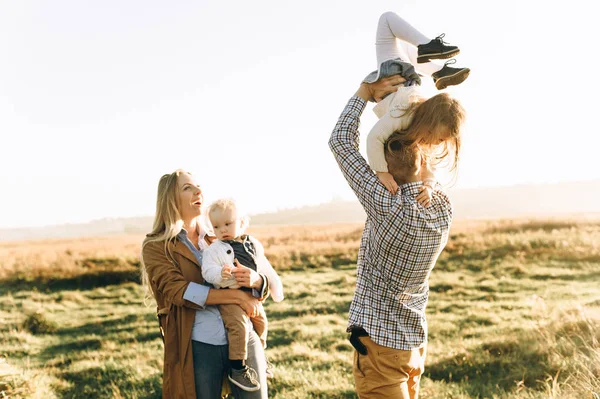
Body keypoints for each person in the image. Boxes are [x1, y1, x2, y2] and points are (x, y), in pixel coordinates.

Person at [329, 74, 464, 398]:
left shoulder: (387, 205)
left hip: (380, 347)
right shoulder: (442, 206)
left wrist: (364, 93)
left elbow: (340, 142)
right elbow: (428, 172)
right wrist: (427, 179)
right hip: (414, 344)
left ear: (387, 168)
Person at [140, 169, 270, 399]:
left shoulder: (220, 234)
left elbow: (262, 274)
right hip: (199, 344)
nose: (199, 191)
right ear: (170, 199)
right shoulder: (156, 246)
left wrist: (257, 280)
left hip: (243, 335)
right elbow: (179, 291)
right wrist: (238, 297)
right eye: (187, 187)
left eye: (198, 185)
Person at [365, 11, 468, 196]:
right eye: (437, 137)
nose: (435, 142)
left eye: (441, 140)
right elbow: (374, 137)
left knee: (403, 42)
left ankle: (438, 71)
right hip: (394, 78)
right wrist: (382, 172)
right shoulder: (404, 114)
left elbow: (429, 165)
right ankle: (429, 50)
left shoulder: (420, 127)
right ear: (429, 122)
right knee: (387, 19)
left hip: (408, 80)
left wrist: (428, 186)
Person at [201, 198, 284, 392]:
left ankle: (261, 357)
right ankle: (238, 368)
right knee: (238, 328)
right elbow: (207, 271)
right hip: (228, 296)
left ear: (242, 222)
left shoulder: (252, 244)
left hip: (251, 296)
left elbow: (264, 267)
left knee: (262, 321)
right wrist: (219, 275)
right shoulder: (214, 249)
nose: (222, 230)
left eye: (228, 224)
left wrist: (274, 286)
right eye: (216, 226)